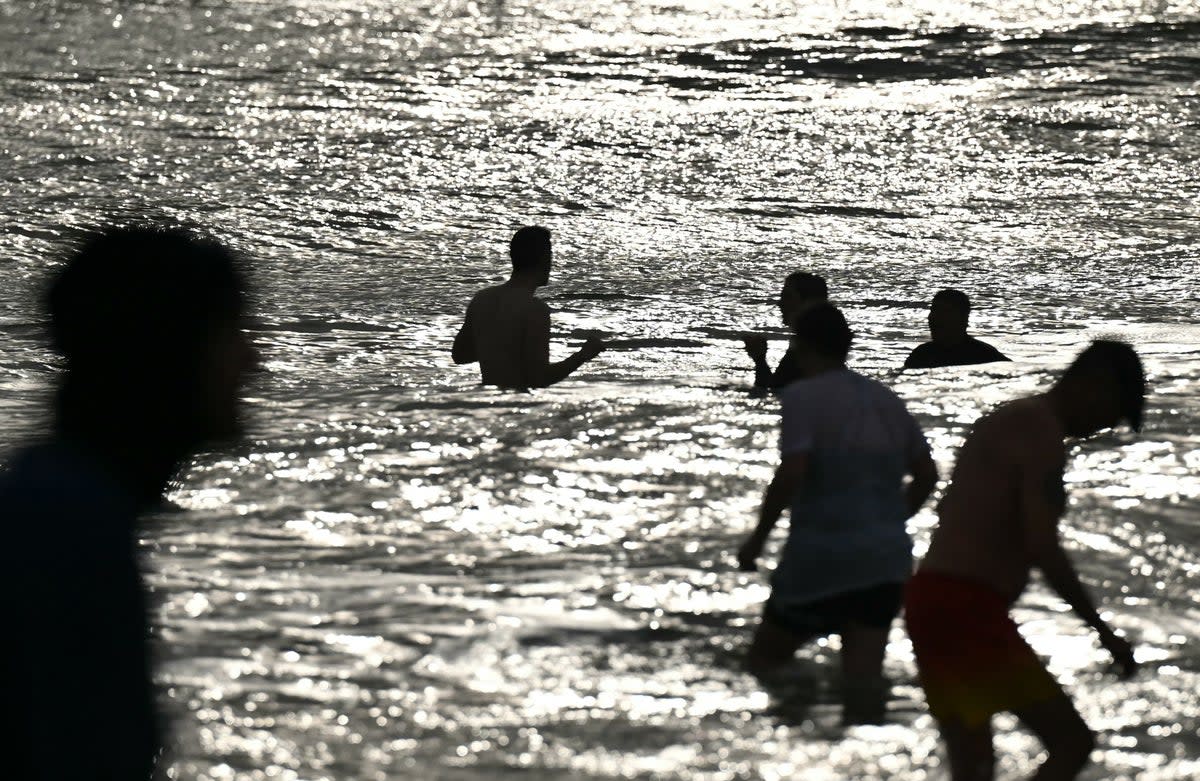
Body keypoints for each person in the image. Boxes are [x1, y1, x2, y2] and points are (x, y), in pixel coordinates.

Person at [0, 226, 257, 780]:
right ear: (167, 352)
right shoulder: (65, 530)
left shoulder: (59, 507)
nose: (253, 361)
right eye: (231, 332)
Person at [905, 341, 1144, 781]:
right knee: (1071, 742)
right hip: (965, 608)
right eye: (1113, 411)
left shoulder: (1013, 419)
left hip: (931, 599)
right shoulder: (1040, 434)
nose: (1104, 426)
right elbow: (1042, 547)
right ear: (1095, 386)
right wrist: (1101, 630)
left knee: (974, 768)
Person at [736, 303, 938, 724]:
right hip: (885, 561)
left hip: (821, 557)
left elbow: (792, 471)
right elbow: (926, 474)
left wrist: (757, 538)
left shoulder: (802, 397)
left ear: (801, 345)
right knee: (861, 681)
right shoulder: (884, 399)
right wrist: (889, 521)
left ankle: (793, 739)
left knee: (763, 663)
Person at [453, 226, 604, 389]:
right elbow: (539, 378)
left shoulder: (482, 299)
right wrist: (582, 355)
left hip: (487, 406)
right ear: (544, 259)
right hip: (520, 407)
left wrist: (498, 346)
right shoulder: (535, 309)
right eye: (550, 255)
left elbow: (460, 356)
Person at [742, 271, 828, 393]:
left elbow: (774, 392)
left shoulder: (808, 347)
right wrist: (759, 359)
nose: (780, 303)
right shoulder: (816, 341)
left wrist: (760, 361)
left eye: (787, 297)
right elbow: (777, 386)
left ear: (808, 303)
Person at [903, 288, 1008, 370]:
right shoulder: (921, 355)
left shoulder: (986, 356)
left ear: (963, 318)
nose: (934, 318)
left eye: (944, 312)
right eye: (934, 311)